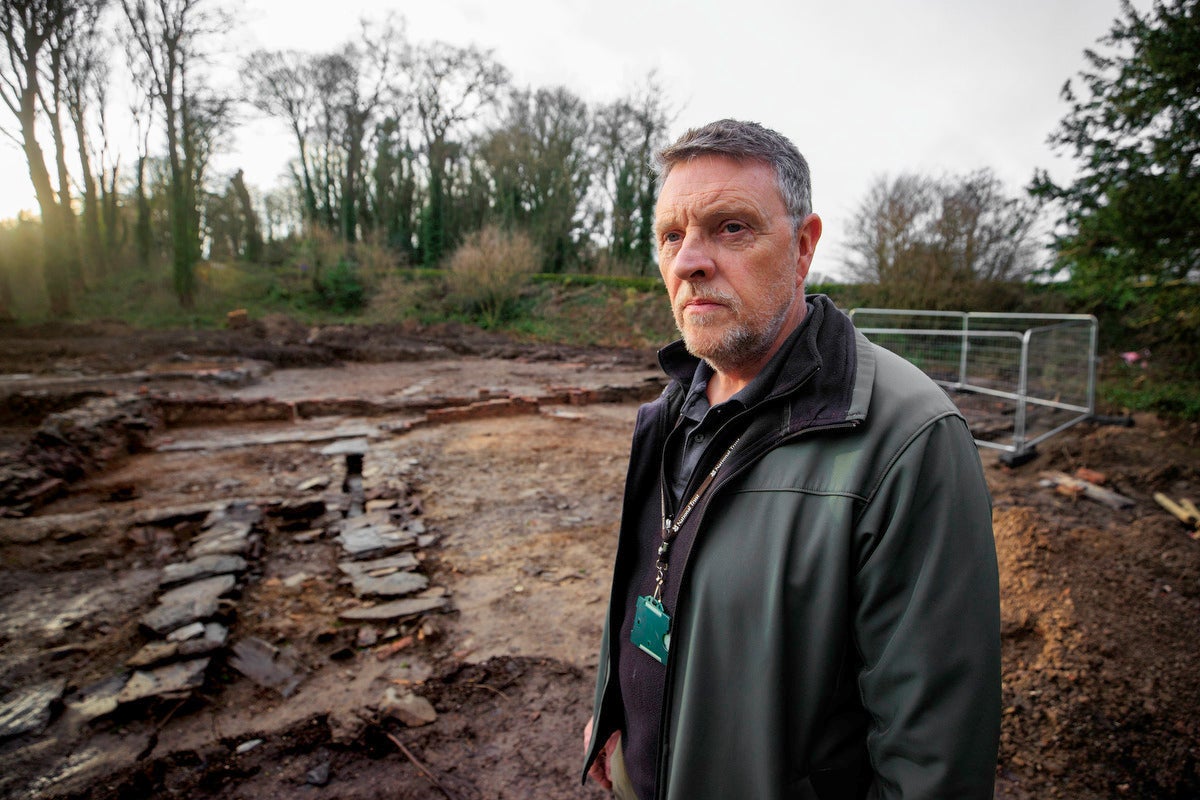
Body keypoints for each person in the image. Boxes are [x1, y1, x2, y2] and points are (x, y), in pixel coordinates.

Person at [581, 119, 1000, 799]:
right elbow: (649, 586)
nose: (689, 261)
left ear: (803, 247)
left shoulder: (907, 439)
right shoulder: (670, 410)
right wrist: (615, 716)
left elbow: (934, 756)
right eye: (671, 236)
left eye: (731, 228)